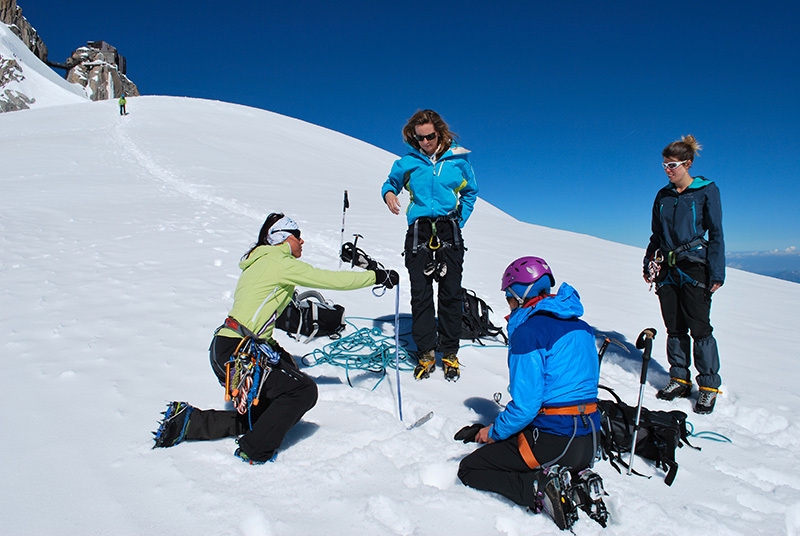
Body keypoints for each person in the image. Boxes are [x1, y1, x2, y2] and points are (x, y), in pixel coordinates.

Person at [153, 213, 399, 463]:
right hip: (240, 351)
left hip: (226, 346)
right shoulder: (278, 262)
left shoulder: (259, 263)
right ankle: (254, 451)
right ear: (282, 237)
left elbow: (264, 317)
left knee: (266, 414)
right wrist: (376, 277)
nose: (302, 242)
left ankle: (189, 423)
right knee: (302, 392)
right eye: (298, 236)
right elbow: (329, 279)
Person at [457, 256, 602, 529]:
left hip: (555, 441)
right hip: (589, 439)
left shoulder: (529, 332)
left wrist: (493, 433)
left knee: (471, 468)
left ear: (521, 296)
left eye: (510, 299)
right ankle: (578, 480)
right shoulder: (581, 326)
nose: (509, 306)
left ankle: (536, 488)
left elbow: (527, 406)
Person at [380, 109, 478, 382]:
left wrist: (460, 220)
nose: (425, 142)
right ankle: (425, 352)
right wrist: (388, 192)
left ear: (440, 133)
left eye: (430, 136)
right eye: (419, 137)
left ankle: (449, 352)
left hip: (449, 228)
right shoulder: (408, 162)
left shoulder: (458, 160)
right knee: (421, 295)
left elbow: (470, 192)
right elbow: (391, 182)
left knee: (451, 294)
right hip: (419, 231)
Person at [643, 135, 725, 415]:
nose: (668, 169)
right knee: (674, 327)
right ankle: (679, 379)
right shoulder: (663, 196)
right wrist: (648, 261)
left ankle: (708, 386)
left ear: (687, 163)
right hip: (667, 267)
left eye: (673, 164)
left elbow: (716, 233)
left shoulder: (705, 190)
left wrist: (717, 271)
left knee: (700, 328)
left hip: (694, 267)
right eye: (665, 165)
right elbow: (656, 234)